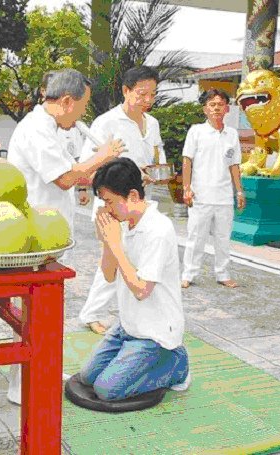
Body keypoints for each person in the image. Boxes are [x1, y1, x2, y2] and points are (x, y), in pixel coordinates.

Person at [0, 68, 126, 405]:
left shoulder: (55, 127)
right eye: (82, 107)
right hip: (31, 236)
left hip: (47, 233)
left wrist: (96, 165)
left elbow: (75, 171)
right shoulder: (35, 129)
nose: (81, 115)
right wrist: (103, 155)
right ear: (67, 101)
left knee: (43, 312)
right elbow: (63, 178)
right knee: (31, 313)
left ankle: (40, 370)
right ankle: (23, 386)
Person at [78, 157, 190, 401]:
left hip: (155, 333)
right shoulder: (124, 223)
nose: (106, 209)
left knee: (107, 390)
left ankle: (177, 364)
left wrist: (116, 244)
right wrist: (107, 241)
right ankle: (135, 356)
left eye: (109, 202)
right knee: (87, 377)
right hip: (128, 326)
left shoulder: (158, 229)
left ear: (132, 196)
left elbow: (141, 290)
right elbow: (109, 275)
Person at [78, 65, 166, 335]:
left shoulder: (152, 124)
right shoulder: (106, 122)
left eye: (152, 94)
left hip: (139, 204)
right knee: (113, 257)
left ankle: (132, 313)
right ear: (126, 91)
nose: (147, 100)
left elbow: (157, 157)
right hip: (112, 204)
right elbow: (87, 164)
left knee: (133, 259)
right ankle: (92, 313)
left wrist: (154, 172)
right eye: (141, 94)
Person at [180, 89, 246, 289]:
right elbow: (187, 160)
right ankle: (188, 274)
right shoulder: (196, 131)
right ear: (205, 109)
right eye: (212, 104)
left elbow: (234, 164)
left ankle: (223, 273)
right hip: (201, 195)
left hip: (224, 197)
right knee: (195, 238)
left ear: (226, 108)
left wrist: (239, 191)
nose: (216, 108)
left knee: (223, 238)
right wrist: (186, 188)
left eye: (220, 104)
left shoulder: (232, 134)